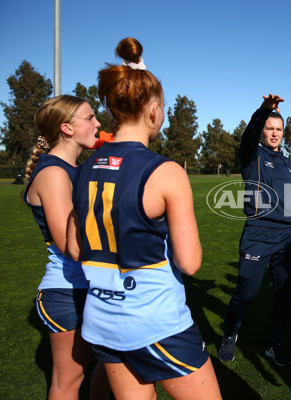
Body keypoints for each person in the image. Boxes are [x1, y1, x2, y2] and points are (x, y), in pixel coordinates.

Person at [68, 37, 221, 400]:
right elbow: (191, 261)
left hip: (102, 320)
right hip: (156, 321)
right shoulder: (165, 171)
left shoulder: (85, 167)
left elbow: (75, 248)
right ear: (153, 110)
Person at [22, 95, 108, 399]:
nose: (97, 123)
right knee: (70, 380)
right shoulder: (54, 174)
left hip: (93, 284)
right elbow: (70, 245)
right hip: (68, 291)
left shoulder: (79, 168)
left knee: (115, 365)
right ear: (67, 129)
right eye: (90, 117)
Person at [219, 94, 291, 367]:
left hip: (288, 236)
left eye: (278, 129)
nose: (274, 133)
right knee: (246, 292)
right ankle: (230, 333)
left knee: (283, 294)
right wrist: (264, 110)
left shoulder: (289, 163)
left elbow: (289, 198)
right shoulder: (251, 154)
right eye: (270, 128)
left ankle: (274, 344)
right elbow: (249, 133)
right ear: (263, 131)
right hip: (258, 234)